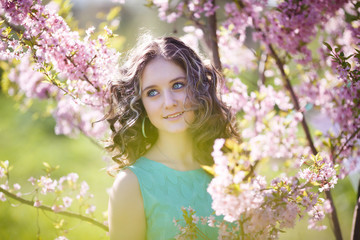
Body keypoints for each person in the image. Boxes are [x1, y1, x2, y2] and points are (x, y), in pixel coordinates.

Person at [106, 35, 238, 240]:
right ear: (141, 104)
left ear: (198, 87)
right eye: (152, 93)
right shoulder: (131, 185)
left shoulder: (230, 169)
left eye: (178, 85)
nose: (169, 103)